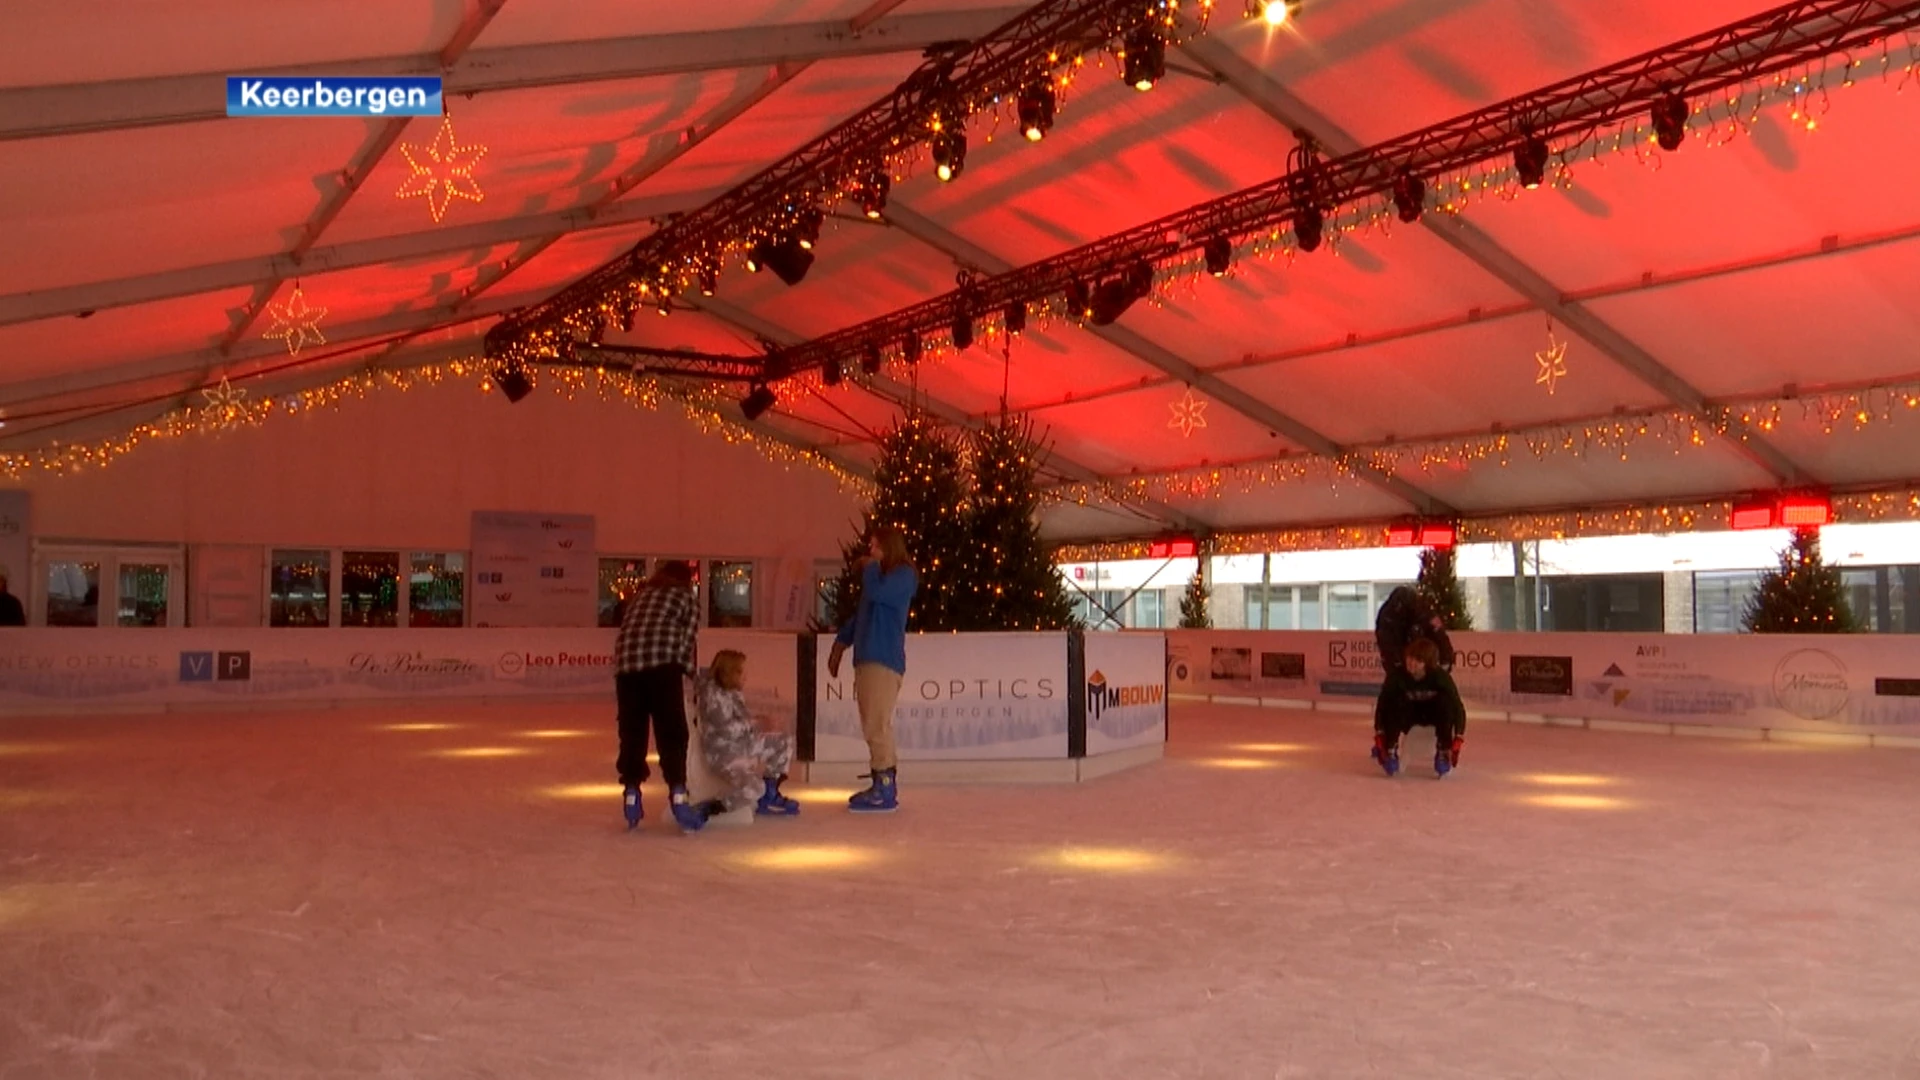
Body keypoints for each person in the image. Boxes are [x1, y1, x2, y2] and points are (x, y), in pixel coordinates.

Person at [828, 526, 917, 813]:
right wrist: (841, 644)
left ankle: (885, 785)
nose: (870, 552)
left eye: (875, 547)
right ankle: (882, 780)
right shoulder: (879, 578)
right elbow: (863, 613)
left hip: (882, 658)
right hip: (868, 656)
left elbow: (878, 594)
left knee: (876, 724)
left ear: (888, 548)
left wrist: (870, 569)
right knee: (873, 721)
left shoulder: (902, 575)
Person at [612, 561, 705, 832]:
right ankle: (678, 795)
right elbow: (687, 640)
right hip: (663, 668)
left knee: (632, 733)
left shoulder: (640, 596)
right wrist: (691, 675)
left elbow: (624, 636)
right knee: (672, 733)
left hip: (628, 671)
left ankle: (631, 794)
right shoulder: (686, 597)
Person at [694, 650, 800, 820]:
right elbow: (725, 729)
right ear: (730, 672)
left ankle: (770, 795)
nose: (745, 676)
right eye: (742, 671)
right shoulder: (712, 695)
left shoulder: (731, 691)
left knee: (782, 741)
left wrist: (760, 723)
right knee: (754, 788)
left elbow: (743, 722)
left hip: (741, 745)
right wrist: (757, 723)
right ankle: (712, 808)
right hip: (725, 754)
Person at [1372, 638, 1467, 778]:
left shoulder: (1440, 677)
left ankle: (1443, 750)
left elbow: (1457, 707)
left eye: (1418, 661)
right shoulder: (1397, 676)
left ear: (1427, 664)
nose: (1411, 663)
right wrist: (1380, 733)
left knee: (1445, 702)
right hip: (1407, 716)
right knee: (1394, 700)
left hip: (1433, 716)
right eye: (1410, 658)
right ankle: (1391, 748)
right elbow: (1382, 705)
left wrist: (1458, 736)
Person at [1373, 585, 1455, 673]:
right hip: (1398, 657)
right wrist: (1398, 664)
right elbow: (1386, 643)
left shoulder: (1423, 610)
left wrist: (1446, 658)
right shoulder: (1387, 616)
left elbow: (1439, 633)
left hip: (1422, 654)